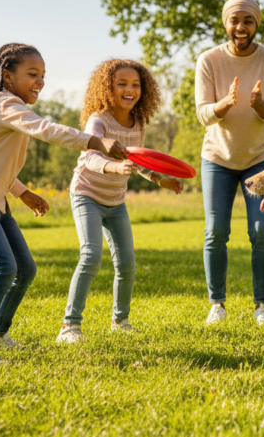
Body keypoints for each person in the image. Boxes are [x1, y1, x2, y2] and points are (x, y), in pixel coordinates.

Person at [0, 43, 128, 363]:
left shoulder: (7, 106)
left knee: (25, 268)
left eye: (43, 75)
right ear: (6, 75)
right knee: (3, 267)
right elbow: (45, 129)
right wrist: (94, 140)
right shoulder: (6, 104)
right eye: (32, 74)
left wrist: (21, 192)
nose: (40, 82)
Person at [57, 59, 183, 343]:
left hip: (116, 200)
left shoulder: (139, 122)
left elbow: (135, 161)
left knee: (126, 263)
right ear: (106, 88)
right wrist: (114, 167)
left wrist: (159, 179)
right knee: (91, 255)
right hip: (87, 193)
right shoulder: (98, 120)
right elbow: (90, 156)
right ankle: (70, 326)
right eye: (122, 84)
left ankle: (120, 320)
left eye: (136, 85)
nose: (130, 89)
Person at [194, 0, 264, 325]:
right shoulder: (209, 60)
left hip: (260, 158)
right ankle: (217, 304)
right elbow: (203, 113)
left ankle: (262, 305)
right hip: (217, 157)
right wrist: (225, 104)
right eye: (235, 20)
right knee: (215, 231)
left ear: (256, 24)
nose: (241, 27)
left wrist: (260, 106)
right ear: (225, 24)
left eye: (248, 20)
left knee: (261, 231)